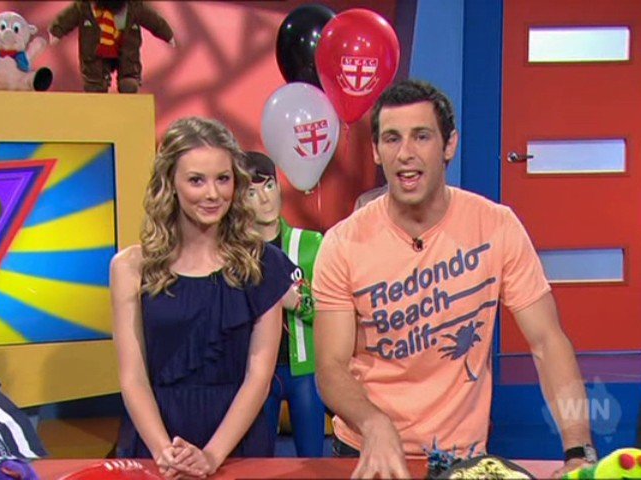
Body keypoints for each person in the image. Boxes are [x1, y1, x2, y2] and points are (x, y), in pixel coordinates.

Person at [312, 79, 595, 478]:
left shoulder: (496, 226)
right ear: (376, 150)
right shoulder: (342, 244)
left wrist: (579, 449)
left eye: (421, 136)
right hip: (367, 450)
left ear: (449, 145)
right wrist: (374, 424)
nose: (405, 154)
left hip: (463, 457)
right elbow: (331, 367)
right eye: (392, 139)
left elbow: (547, 342)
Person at [111, 117, 295, 478]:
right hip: (156, 441)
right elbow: (133, 377)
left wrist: (210, 456)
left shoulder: (264, 265)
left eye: (222, 179)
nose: (213, 194)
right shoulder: (131, 267)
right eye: (197, 180)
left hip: (236, 443)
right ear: (170, 184)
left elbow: (259, 377)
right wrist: (166, 454)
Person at [242, 151, 327, 458]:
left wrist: (297, 303)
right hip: (256, 371)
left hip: (305, 370)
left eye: (269, 186)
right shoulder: (236, 253)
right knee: (257, 461)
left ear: (279, 187)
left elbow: (332, 311)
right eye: (252, 192)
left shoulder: (311, 243)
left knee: (312, 461)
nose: (264, 199)